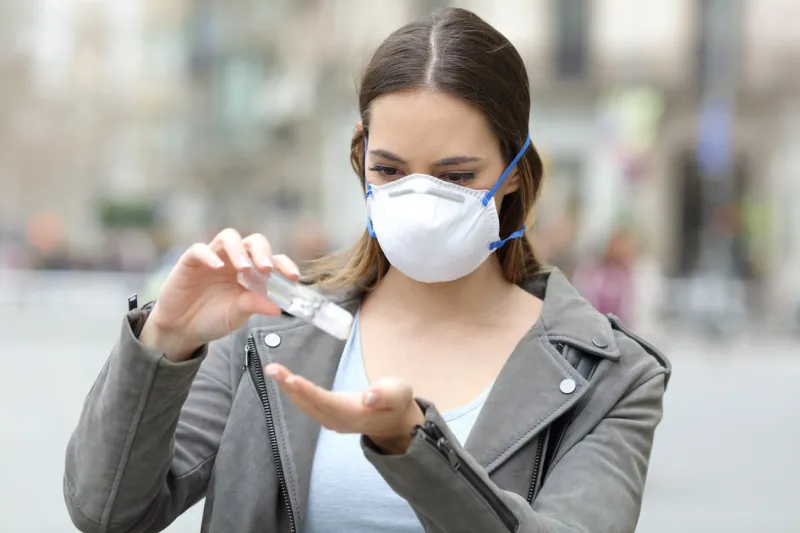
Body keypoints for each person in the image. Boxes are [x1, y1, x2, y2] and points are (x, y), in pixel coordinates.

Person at [63, 8, 670, 533]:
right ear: (361, 160)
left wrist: (413, 447)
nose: (422, 201)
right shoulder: (266, 330)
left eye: (457, 176)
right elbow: (108, 511)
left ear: (514, 171)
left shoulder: (611, 379)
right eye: (390, 170)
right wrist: (165, 340)